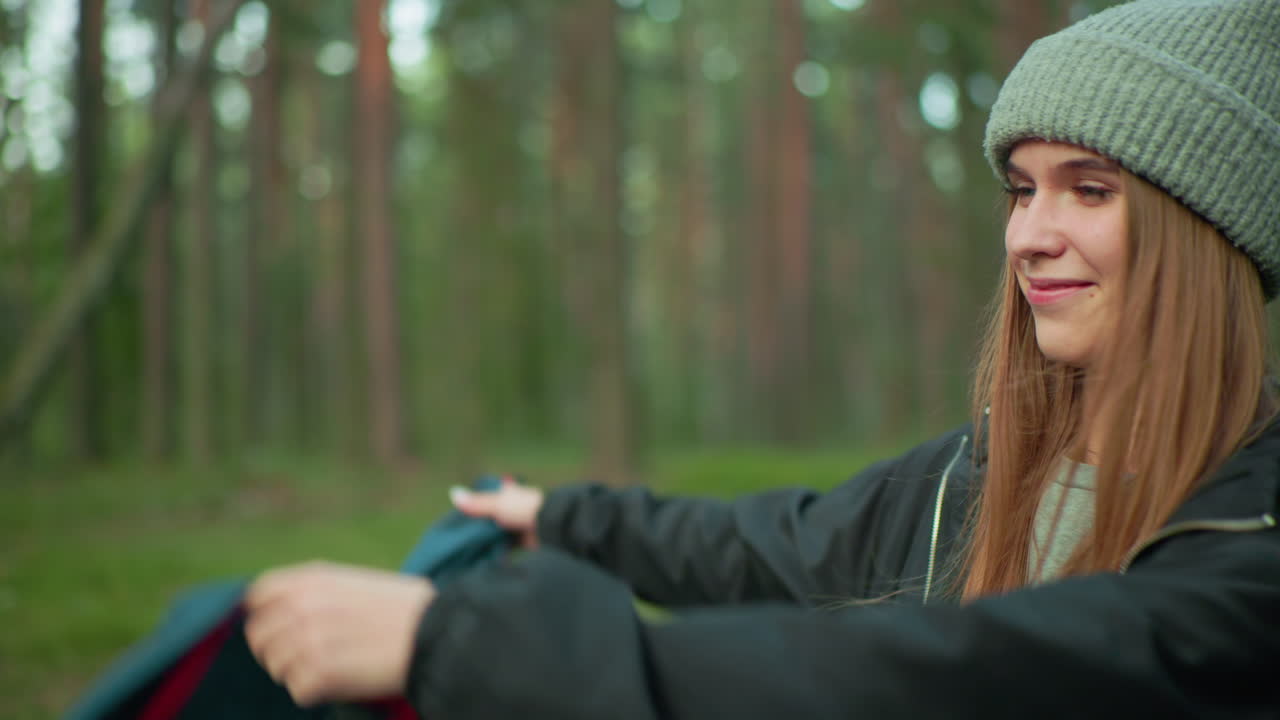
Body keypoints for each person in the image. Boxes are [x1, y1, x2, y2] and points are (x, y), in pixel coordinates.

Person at [243, 0, 1280, 716]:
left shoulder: (1250, 544)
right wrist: (561, 518)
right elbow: (769, 545)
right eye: (1020, 190)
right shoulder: (971, 476)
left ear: (1208, 233)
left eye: (1088, 190)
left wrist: (466, 648)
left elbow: (942, 674)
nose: (1026, 237)